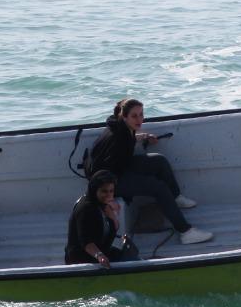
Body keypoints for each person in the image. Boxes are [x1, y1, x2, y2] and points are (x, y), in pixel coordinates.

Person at [88, 98, 213, 245]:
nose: (139, 119)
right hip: (109, 181)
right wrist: (107, 198)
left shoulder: (121, 127)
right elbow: (99, 171)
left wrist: (144, 136)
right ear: (124, 116)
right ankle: (185, 232)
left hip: (119, 168)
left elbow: (128, 139)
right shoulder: (118, 139)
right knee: (157, 187)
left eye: (141, 114)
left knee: (158, 161)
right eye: (134, 116)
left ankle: (174, 197)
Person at [65, 171, 141, 267]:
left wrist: (110, 211)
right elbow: (86, 241)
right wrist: (100, 256)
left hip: (102, 251)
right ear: (95, 190)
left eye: (111, 191)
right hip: (84, 259)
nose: (109, 195)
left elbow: (114, 227)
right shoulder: (86, 208)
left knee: (134, 259)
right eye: (104, 191)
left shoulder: (101, 205)